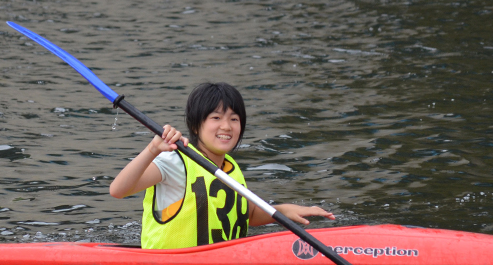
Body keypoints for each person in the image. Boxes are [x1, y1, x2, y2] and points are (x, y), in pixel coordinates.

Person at [109, 82, 334, 249]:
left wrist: (284, 211)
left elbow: (247, 214)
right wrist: (152, 150)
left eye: (234, 119)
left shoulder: (231, 167)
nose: (226, 126)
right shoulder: (175, 161)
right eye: (216, 118)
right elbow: (118, 190)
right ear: (196, 126)